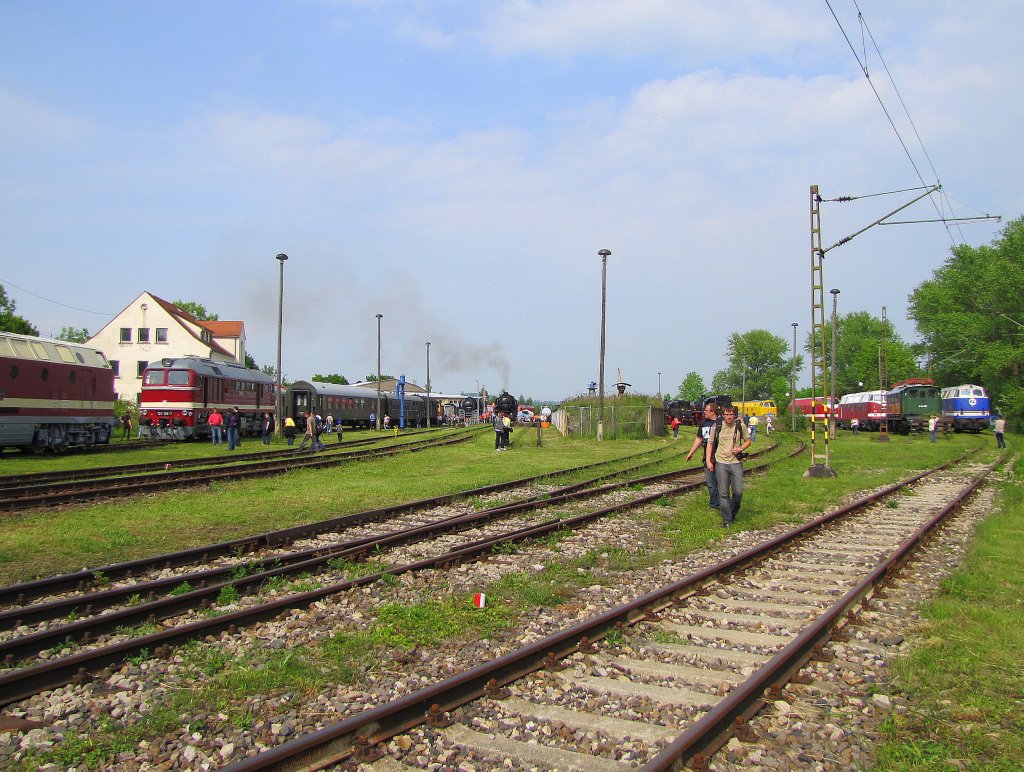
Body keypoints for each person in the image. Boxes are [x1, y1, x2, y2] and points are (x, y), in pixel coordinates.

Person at [707, 405, 751, 527]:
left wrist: (740, 448)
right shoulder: (717, 427)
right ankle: (726, 520)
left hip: (735, 462)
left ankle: (733, 511)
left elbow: (748, 440)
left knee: (738, 492)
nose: (729, 417)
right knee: (723, 493)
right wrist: (708, 460)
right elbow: (710, 444)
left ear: (734, 415)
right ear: (722, 415)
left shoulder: (740, 426)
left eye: (731, 414)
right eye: (726, 414)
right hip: (721, 462)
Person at [685, 402, 721, 510]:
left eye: (706, 410)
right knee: (710, 483)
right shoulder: (703, 423)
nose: (704, 412)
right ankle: (714, 505)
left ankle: (723, 504)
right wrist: (691, 453)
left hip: (720, 457)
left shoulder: (721, 423)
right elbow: (699, 439)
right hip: (707, 457)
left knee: (721, 483)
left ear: (712, 412)